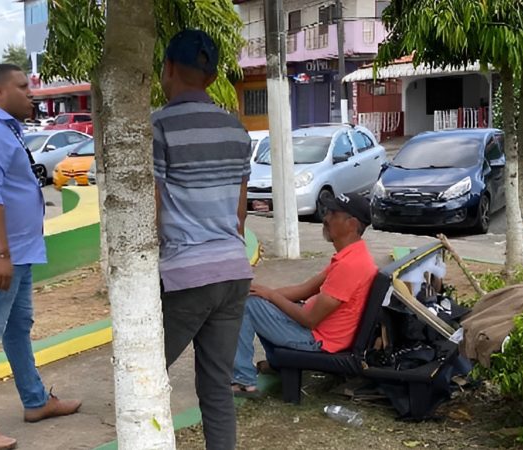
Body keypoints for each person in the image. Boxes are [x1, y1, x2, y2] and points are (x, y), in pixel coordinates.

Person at [0, 64, 80, 450]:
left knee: (16, 328)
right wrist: (1, 253)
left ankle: (36, 400)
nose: (32, 93)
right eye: (23, 86)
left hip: (17, 252)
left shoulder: (5, 129)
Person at [153, 30, 254, 450]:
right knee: (216, 389)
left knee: (146, 373)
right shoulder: (236, 131)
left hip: (185, 276)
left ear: (168, 69)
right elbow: (240, 214)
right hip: (233, 270)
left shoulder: (158, 126)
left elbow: (152, 208)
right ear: (212, 78)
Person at [231, 192, 378, 395]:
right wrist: (264, 293)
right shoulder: (352, 256)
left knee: (247, 307)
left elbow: (310, 319)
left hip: (318, 341)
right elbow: (305, 289)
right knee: (258, 301)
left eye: (333, 214)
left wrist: (270, 296)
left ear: (352, 224)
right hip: (317, 331)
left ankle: (243, 381)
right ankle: (278, 365)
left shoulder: (351, 266)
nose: (325, 218)